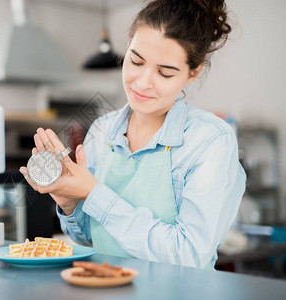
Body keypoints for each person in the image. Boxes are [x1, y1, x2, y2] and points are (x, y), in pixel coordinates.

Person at [19, 0, 246, 269]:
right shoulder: (103, 130)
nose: (142, 82)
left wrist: (93, 194)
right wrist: (69, 203)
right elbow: (90, 238)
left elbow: (189, 255)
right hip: (105, 288)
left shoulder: (209, 140)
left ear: (192, 73)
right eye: (136, 61)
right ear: (126, 49)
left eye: (164, 73)